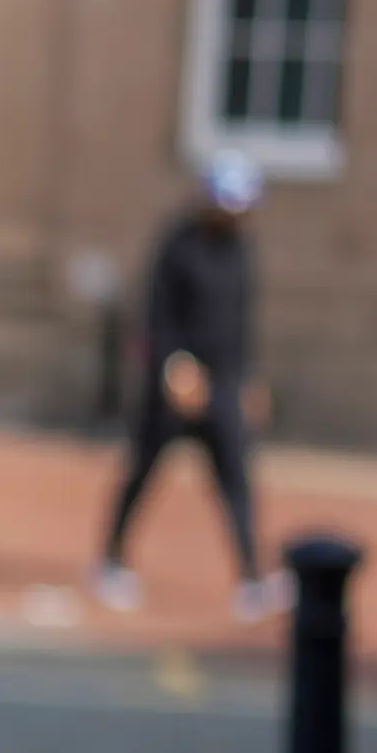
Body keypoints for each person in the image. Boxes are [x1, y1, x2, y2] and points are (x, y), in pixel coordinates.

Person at [94, 149, 286, 622]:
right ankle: (112, 560)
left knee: (236, 480)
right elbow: (157, 314)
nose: (233, 216)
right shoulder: (178, 245)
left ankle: (250, 578)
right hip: (174, 383)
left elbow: (240, 323)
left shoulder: (242, 250)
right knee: (144, 471)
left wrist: (247, 379)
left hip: (223, 383)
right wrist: (174, 367)